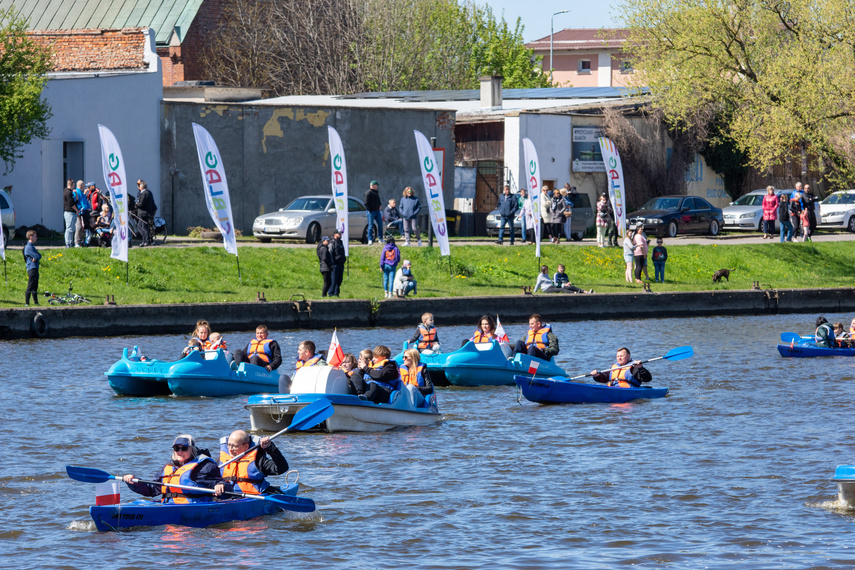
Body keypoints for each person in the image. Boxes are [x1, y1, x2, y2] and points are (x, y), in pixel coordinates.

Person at [122, 435, 226, 503]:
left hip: (192, 508)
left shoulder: (204, 466)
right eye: (177, 448)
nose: (180, 452)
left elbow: (223, 485)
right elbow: (151, 489)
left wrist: (221, 486)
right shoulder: (169, 467)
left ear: (192, 450)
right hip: (167, 505)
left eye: (184, 448)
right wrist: (134, 482)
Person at [217, 430, 288, 496]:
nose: (230, 449)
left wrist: (270, 448)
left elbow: (282, 468)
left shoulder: (258, 460)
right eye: (229, 445)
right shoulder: (221, 461)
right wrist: (218, 483)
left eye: (234, 446)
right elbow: (210, 477)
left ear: (246, 447)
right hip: (228, 496)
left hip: (253, 496)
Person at [135, 179, 156, 247]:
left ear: (142, 186)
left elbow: (141, 203)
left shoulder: (144, 193)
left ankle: (147, 241)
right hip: (144, 212)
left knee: (144, 227)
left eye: (139, 185)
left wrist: (136, 204)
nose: (138, 187)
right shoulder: (146, 192)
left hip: (144, 212)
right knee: (140, 226)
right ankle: (145, 240)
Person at [23, 229, 41, 306]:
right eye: (35, 236)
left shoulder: (33, 247)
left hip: (35, 267)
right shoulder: (28, 247)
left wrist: (37, 257)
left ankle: (36, 302)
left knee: (35, 286)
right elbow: (36, 256)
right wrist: (36, 257)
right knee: (30, 285)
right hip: (31, 268)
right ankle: (27, 302)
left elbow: (39, 255)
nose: (36, 238)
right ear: (31, 237)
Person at [364, 180, 383, 245]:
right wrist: (370, 210)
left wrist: (379, 205)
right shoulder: (368, 193)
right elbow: (366, 203)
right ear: (373, 186)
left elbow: (378, 200)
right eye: (376, 185)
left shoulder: (376, 192)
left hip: (377, 211)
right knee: (370, 225)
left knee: (380, 224)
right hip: (371, 212)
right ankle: (370, 239)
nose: (377, 187)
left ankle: (380, 238)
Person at [73, 180, 92, 247]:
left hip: (83, 212)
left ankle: (81, 241)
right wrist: (83, 208)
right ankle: (77, 242)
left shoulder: (81, 193)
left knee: (82, 227)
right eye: (83, 185)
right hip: (80, 212)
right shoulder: (77, 192)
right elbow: (80, 202)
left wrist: (88, 208)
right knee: (78, 227)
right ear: (81, 185)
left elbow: (85, 201)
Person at [329, 231, 346, 297]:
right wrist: (331, 263)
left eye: (340, 234)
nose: (340, 235)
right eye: (338, 233)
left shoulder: (340, 242)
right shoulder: (332, 242)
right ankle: (330, 293)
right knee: (333, 279)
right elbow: (330, 253)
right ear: (335, 234)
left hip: (341, 264)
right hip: (335, 264)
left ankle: (336, 293)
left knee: (339, 279)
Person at [62, 178, 77, 248]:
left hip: (71, 212)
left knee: (72, 228)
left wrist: (76, 194)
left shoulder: (68, 191)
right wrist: (76, 210)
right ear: (73, 184)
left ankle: (70, 242)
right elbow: (71, 203)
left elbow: (76, 200)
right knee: (69, 228)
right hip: (69, 212)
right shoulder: (68, 192)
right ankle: (68, 243)